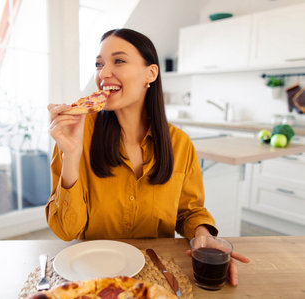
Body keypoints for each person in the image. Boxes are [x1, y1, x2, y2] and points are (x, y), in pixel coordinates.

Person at [47, 28, 249, 286]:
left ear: (150, 73)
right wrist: (72, 154)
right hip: (93, 272)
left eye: (118, 61)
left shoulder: (179, 143)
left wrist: (202, 234)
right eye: (99, 64)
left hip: (157, 274)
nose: (103, 73)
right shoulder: (77, 134)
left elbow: (189, 211)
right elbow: (66, 231)